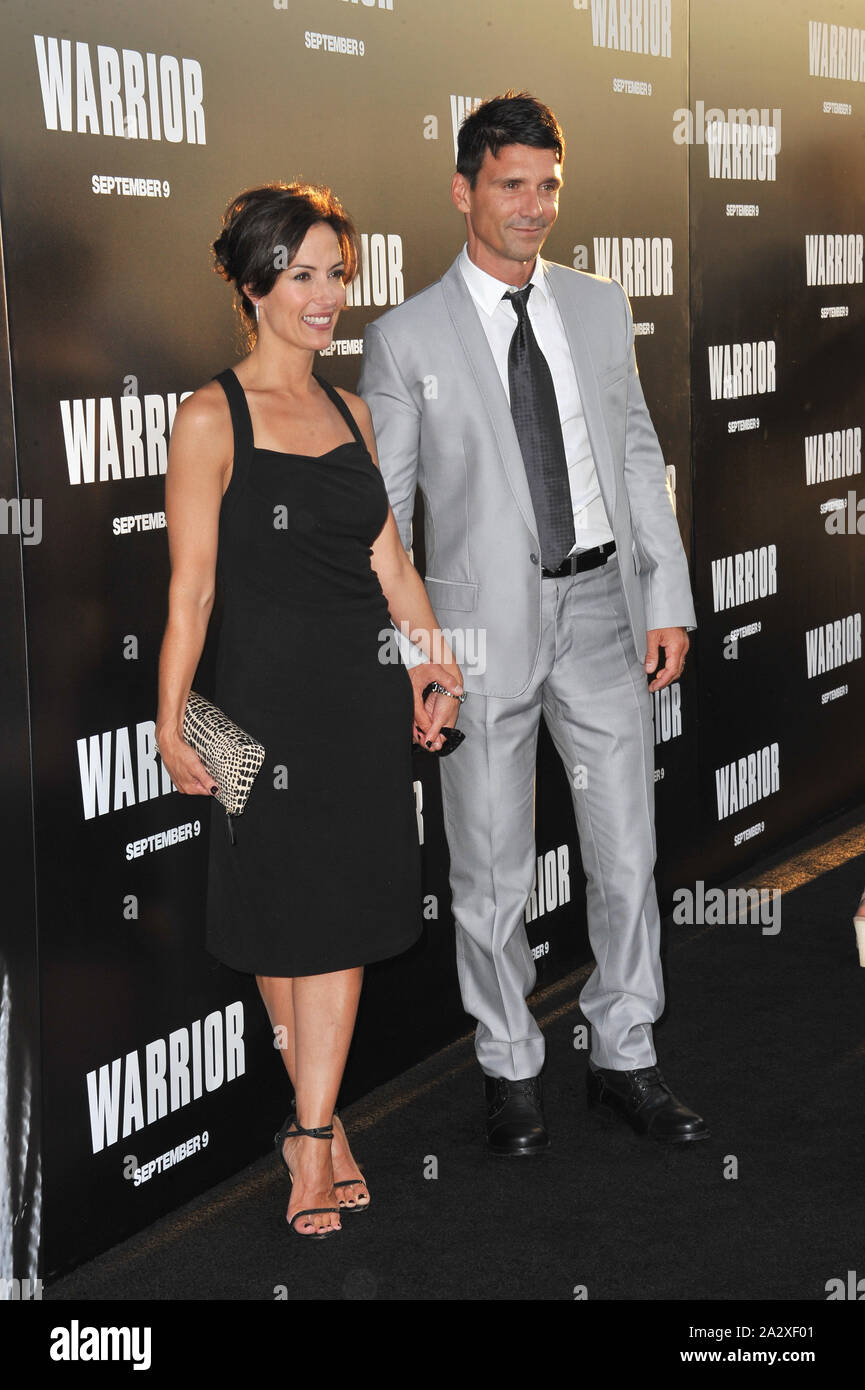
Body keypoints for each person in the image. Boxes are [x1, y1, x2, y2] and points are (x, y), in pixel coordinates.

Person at [359, 93, 708, 1154]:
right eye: (511, 184)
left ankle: (625, 1051)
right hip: (479, 638)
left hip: (603, 610)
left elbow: (640, 456)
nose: (533, 206)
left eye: (548, 184)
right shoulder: (403, 334)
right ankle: (509, 1064)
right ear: (463, 189)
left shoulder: (599, 306)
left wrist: (667, 596)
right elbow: (387, 520)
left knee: (625, 852)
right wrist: (425, 657)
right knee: (491, 868)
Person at [155, 182, 462, 1236]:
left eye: (337, 272)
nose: (327, 296)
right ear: (253, 287)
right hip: (250, 713)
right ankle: (317, 1131)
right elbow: (189, 591)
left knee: (332, 922)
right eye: (302, 277)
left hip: (357, 702)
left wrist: (432, 664)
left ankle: (313, 1128)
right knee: (285, 924)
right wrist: (169, 720)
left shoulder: (353, 412)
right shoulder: (210, 415)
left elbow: (394, 567)